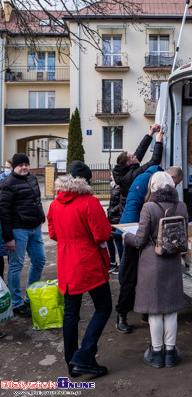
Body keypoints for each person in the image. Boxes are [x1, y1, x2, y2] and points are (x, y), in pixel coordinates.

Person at [47, 161, 113, 378]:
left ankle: (71, 362)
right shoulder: (90, 202)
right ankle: (84, 355)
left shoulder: (55, 204)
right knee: (103, 307)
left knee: (71, 314)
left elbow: (54, 234)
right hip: (89, 261)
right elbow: (102, 235)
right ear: (86, 180)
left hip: (67, 262)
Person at [124, 171, 188, 369]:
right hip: (173, 261)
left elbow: (140, 240)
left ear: (153, 186)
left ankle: (156, 352)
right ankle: (170, 353)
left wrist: (126, 235)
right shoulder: (182, 205)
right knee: (170, 311)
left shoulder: (148, 207)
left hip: (152, 263)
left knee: (155, 311)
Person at [116, 166, 183, 333]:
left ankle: (146, 312)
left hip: (144, 238)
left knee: (146, 281)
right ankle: (122, 314)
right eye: (175, 182)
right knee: (130, 277)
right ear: (170, 177)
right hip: (136, 233)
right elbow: (134, 208)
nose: (174, 186)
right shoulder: (147, 183)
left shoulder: (158, 191)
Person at [113, 123, 164, 333]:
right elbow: (153, 161)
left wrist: (150, 134)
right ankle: (122, 313)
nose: (135, 155)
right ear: (128, 163)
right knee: (131, 274)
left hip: (135, 227)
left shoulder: (126, 170)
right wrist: (159, 143)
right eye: (132, 156)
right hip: (133, 229)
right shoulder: (134, 177)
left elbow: (140, 155)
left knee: (138, 273)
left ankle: (143, 309)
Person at [0, 153, 46, 317]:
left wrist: (41, 216)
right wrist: (8, 238)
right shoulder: (7, 184)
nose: (24, 167)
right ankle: (16, 303)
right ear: (14, 167)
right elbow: (3, 212)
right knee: (16, 265)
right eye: (21, 165)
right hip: (18, 230)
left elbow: (37, 200)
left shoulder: (32, 179)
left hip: (35, 228)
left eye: (26, 164)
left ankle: (30, 296)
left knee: (40, 260)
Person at [106, 174, 123, 275]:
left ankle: (121, 264)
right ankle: (112, 262)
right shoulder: (114, 188)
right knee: (109, 239)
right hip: (111, 218)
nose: (111, 176)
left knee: (118, 240)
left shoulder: (121, 189)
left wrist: (112, 211)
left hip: (116, 218)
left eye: (112, 175)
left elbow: (121, 204)